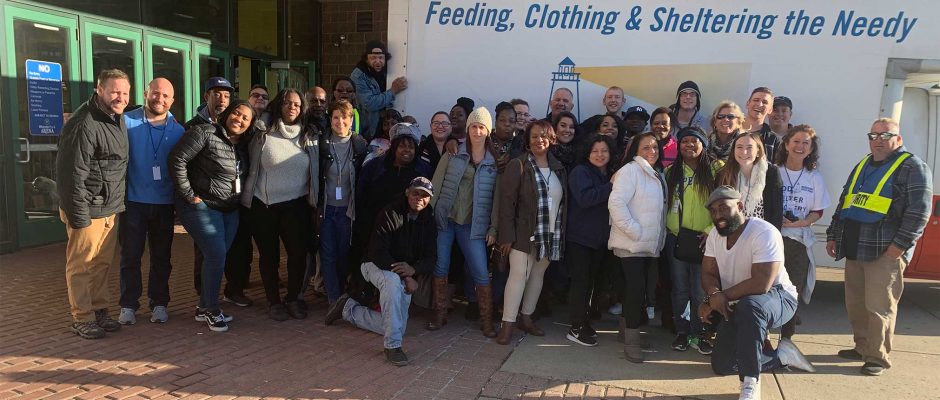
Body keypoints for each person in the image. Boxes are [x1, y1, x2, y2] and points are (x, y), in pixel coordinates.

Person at [826, 118, 932, 376]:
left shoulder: (913, 166)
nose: (878, 141)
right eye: (873, 136)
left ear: (899, 139)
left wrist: (900, 246)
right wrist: (833, 235)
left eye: (885, 135)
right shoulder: (863, 164)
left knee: (879, 307)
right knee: (857, 304)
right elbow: (845, 202)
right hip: (855, 247)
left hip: (884, 251)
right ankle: (862, 347)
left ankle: (877, 357)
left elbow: (919, 212)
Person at [700, 186, 816, 400]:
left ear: (740, 206)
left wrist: (722, 296)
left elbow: (761, 283)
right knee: (722, 365)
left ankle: (749, 383)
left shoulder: (763, 232)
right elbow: (708, 272)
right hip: (739, 301)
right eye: (713, 211)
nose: (718, 215)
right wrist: (713, 294)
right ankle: (781, 356)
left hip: (779, 297)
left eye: (724, 208)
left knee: (750, 306)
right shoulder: (715, 236)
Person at [325, 177, 437, 366]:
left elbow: (431, 258)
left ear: (430, 199)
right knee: (392, 283)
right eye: (416, 193)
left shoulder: (429, 221)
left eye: (425, 195)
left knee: (397, 326)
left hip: (405, 272)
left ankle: (348, 310)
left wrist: (414, 270)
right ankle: (392, 346)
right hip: (374, 264)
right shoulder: (390, 212)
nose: (419, 198)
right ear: (407, 192)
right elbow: (378, 252)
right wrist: (406, 276)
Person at [56, 69, 131, 339]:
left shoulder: (116, 118)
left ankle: (99, 310)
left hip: (109, 208)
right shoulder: (84, 122)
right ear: (99, 90)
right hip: (87, 208)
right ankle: (82, 317)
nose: (120, 97)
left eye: (125, 92)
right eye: (114, 91)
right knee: (81, 265)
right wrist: (79, 216)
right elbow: (71, 174)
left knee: (101, 264)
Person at [169, 100, 256, 332]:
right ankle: (212, 309)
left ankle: (203, 306)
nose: (239, 119)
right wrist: (188, 194)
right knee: (216, 254)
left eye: (245, 118)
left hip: (229, 208)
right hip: (201, 205)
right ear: (227, 113)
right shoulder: (204, 132)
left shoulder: (244, 145)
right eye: (236, 113)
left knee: (217, 256)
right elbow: (177, 159)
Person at [240, 88, 319, 321]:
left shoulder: (310, 134)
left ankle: (293, 298)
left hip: (296, 206)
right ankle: (273, 301)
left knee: (297, 255)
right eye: (287, 103)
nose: (292, 107)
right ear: (278, 105)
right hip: (264, 206)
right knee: (269, 256)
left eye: (297, 104)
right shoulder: (262, 131)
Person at [118, 78, 185, 326]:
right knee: (130, 257)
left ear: (172, 101)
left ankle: (159, 303)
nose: (160, 99)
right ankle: (128, 305)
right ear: (146, 93)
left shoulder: (178, 131)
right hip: (132, 202)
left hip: (164, 204)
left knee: (161, 258)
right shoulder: (125, 121)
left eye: (166, 96)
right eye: (156, 93)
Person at [428, 107, 499, 337]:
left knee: (480, 271)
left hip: (473, 225)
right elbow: (436, 184)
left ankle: (486, 320)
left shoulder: (494, 162)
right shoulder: (453, 152)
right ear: (467, 129)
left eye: (482, 127)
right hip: (446, 220)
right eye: (473, 127)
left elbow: (496, 200)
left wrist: (493, 227)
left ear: (488, 131)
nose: (477, 131)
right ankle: (439, 313)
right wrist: (429, 214)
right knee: (441, 266)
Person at [495, 120, 568, 345]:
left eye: (544, 136)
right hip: (522, 233)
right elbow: (506, 204)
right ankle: (507, 324)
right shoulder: (518, 164)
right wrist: (507, 236)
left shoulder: (559, 168)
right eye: (534, 136)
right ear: (527, 140)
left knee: (538, 276)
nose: (539, 140)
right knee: (519, 276)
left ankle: (526, 317)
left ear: (551, 139)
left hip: (550, 234)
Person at [608, 132, 666, 362]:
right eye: (646, 147)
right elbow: (616, 203)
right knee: (635, 290)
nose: (652, 151)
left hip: (647, 245)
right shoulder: (630, 171)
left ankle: (625, 332)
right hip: (631, 243)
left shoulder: (655, 172)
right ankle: (631, 341)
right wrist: (635, 231)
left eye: (655, 147)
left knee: (635, 290)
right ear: (636, 151)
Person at [350, 123, 432, 283]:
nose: (406, 150)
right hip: (372, 228)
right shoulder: (374, 167)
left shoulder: (423, 171)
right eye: (402, 146)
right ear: (394, 147)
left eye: (411, 147)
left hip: (405, 233)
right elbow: (360, 195)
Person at [663, 126, 721, 353]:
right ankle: (682, 332)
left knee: (700, 290)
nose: (689, 145)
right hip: (677, 238)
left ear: (703, 145)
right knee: (679, 288)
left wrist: (711, 230)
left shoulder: (717, 169)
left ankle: (701, 333)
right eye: (684, 141)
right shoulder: (671, 171)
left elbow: (724, 204)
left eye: (694, 141)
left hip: (704, 239)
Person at [774, 125, 831, 339]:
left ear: (811, 149)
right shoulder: (773, 171)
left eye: (806, 143)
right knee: (766, 287)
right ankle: (762, 339)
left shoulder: (814, 177)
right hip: (773, 239)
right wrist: (775, 217)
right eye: (796, 141)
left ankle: (786, 339)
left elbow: (818, 211)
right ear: (786, 145)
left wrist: (804, 222)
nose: (800, 146)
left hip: (798, 242)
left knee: (793, 290)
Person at [565, 135, 616, 347]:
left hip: (599, 240)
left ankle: (584, 322)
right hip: (580, 239)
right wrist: (610, 186)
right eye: (595, 151)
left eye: (604, 151)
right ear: (587, 153)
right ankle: (575, 327)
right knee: (581, 283)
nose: (599, 155)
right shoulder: (580, 172)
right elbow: (585, 199)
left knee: (592, 284)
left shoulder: (609, 174)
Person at [319, 100, 369, 304]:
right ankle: (334, 299)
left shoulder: (359, 145)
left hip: (348, 211)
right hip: (326, 210)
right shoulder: (321, 144)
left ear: (351, 120)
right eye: (336, 117)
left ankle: (342, 293)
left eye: (344, 117)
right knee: (328, 255)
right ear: (330, 120)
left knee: (344, 255)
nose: (340, 122)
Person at [717, 132, 784, 230]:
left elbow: (777, 211)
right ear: (733, 150)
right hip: (733, 232)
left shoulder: (771, 173)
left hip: (763, 232)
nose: (744, 152)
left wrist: (773, 234)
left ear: (758, 151)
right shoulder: (723, 174)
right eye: (739, 147)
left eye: (749, 148)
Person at [351, 40, 407, 139]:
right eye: (373, 58)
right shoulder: (358, 76)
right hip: (370, 130)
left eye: (381, 58)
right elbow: (369, 104)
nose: (377, 61)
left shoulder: (387, 71)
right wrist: (393, 91)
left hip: (386, 126)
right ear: (366, 59)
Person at [743, 87, 782, 160]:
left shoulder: (773, 140)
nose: (760, 104)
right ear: (747, 104)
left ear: (770, 110)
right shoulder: (732, 130)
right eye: (756, 100)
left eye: (765, 102)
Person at [492, 101, 525, 171]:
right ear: (496, 122)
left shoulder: (521, 145)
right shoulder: (485, 141)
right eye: (502, 120)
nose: (507, 124)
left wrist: (513, 159)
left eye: (511, 121)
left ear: (515, 124)